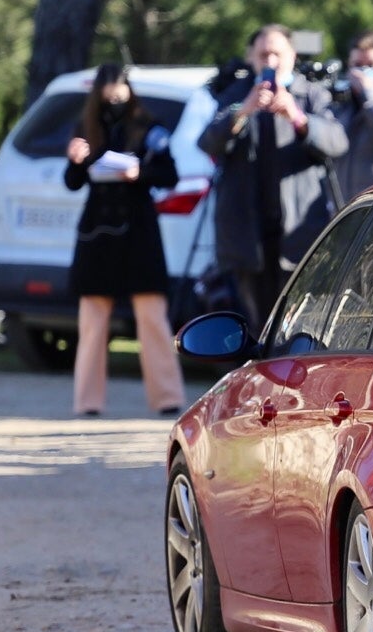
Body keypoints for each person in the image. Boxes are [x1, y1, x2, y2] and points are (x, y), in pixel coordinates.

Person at [197, 24, 348, 327]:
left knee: (299, 329)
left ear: (292, 56)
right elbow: (207, 142)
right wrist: (242, 111)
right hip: (246, 238)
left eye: (277, 54)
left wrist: (298, 117)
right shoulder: (236, 94)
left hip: (299, 234)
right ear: (250, 57)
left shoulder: (310, 94)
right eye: (263, 54)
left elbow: (337, 142)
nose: (271, 62)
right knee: (257, 329)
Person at [62, 64, 187, 418]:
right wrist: (75, 161)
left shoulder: (148, 127)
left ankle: (167, 398)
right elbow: (72, 181)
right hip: (97, 230)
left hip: (138, 229)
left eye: (120, 94)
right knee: (92, 321)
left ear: (130, 92)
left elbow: (169, 174)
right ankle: (87, 402)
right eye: (107, 97)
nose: (114, 102)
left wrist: (140, 173)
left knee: (152, 317)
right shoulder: (85, 129)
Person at [329, 29, 373, 200]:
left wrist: (370, 93)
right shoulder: (340, 99)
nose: (362, 72)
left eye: (371, 65)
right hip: (344, 204)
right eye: (357, 65)